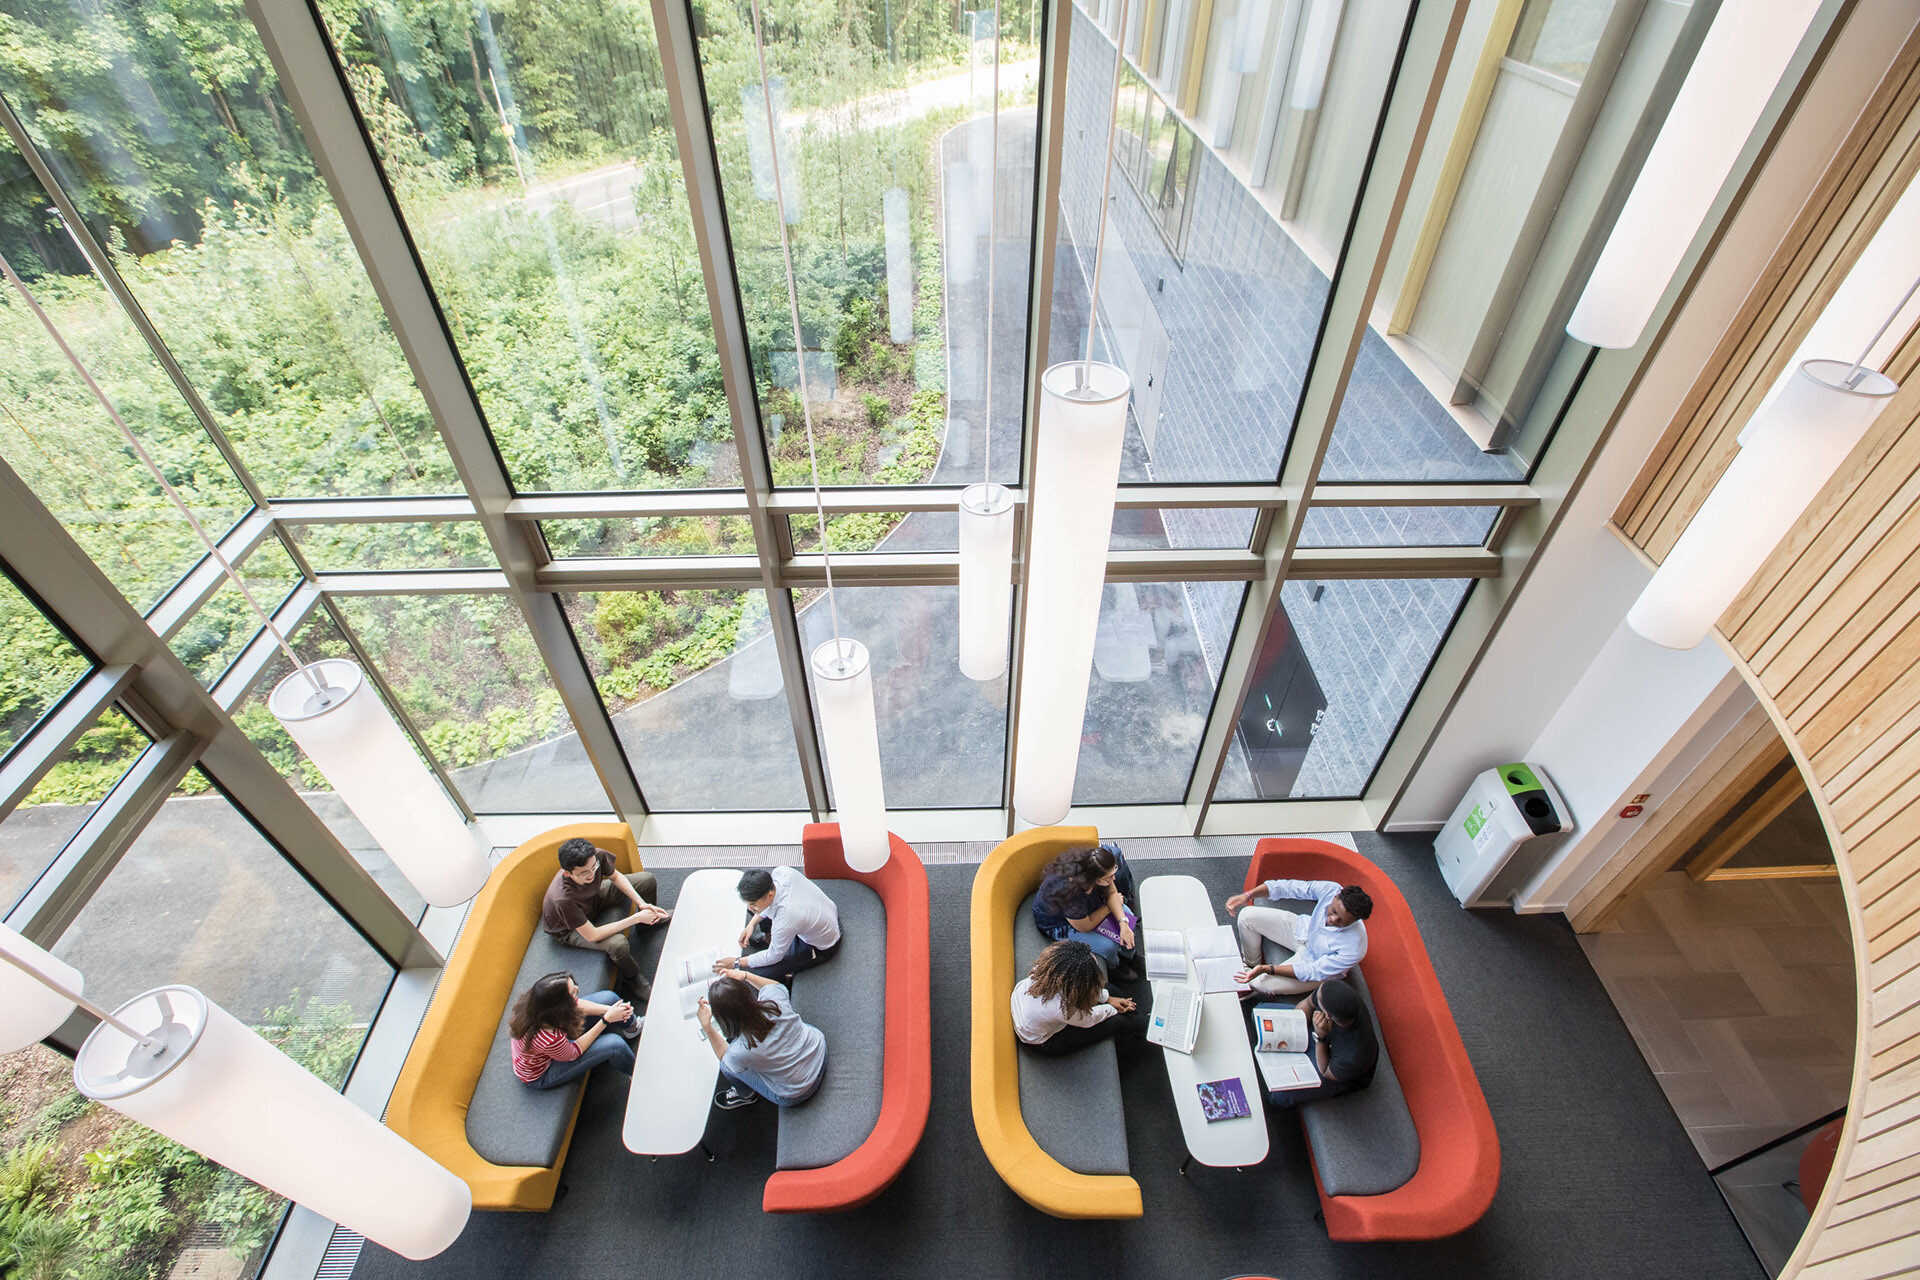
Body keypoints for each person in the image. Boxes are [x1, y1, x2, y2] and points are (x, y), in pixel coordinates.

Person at [541, 837, 669, 1002]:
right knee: (618, 944)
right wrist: (636, 918)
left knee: (646, 880)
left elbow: (615, 877)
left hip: (592, 899)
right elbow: (593, 935)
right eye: (584, 873)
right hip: (569, 929)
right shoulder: (563, 898)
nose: (592, 874)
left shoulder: (596, 857)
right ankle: (632, 978)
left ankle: (650, 922)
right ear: (567, 873)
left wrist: (642, 904)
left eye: (593, 867)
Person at [697, 967, 826, 1109]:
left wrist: (707, 1027)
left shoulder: (740, 1051)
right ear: (747, 993)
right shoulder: (774, 1000)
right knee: (792, 1022)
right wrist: (745, 975)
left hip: (799, 1090)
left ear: (723, 1018)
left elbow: (724, 1056)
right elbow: (773, 986)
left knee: (727, 1067)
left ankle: (746, 1096)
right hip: (819, 1051)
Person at [1225, 877, 1372, 997]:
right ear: (1336, 896)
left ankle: (1253, 982)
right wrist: (1248, 895)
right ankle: (1250, 965)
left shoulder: (1355, 947)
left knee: (1260, 983)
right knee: (1246, 916)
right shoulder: (1331, 889)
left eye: (1341, 921)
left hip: (1315, 963)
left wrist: (1268, 969)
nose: (1332, 920)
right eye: (1332, 911)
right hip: (1303, 930)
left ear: (1354, 921)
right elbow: (1289, 887)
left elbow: (1312, 971)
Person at [1010, 939, 1147, 1056]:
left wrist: (1108, 998)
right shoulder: (1061, 1009)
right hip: (1044, 1041)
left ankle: (1134, 1010)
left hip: (1039, 1014)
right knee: (1117, 1021)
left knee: (1106, 988)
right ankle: (1143, 1026)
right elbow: (1088, 1019)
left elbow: (1088, 989)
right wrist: (1112, 1008)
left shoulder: (1050, 968)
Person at [508, 972, 640, 1090]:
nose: (577, 989)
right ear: (560, 1007)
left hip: (556, 1044)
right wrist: (606, 1020)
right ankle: (636, 1076)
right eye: (573, 993)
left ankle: (633, 1028)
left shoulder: (538, 1003)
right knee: (615, 1045)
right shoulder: (548, 1037)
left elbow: (576, 1004)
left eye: (574, 985)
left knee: (609, 998)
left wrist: (610, 1010)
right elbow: (574, 1052)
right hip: (543, 1072)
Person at [713, 866, 841, 981]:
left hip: (822, 945)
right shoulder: (781, 872)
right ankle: (772, 938)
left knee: (759, 973)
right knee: (759, 913)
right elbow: (770, 906)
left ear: (769, 894)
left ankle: (787, 978)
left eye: (753, 904)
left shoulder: (786, 918)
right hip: (822, 911)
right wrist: (751, 925)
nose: (750, 907)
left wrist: (736, 962)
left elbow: (774, 956)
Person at [1031, 842, 1139, 978]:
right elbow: (1085, 926)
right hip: (1062, 923)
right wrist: (1108, 908)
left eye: (1114, 872)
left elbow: (1111, 892)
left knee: (1127, 916)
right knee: (1108, 946)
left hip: (1089, 906)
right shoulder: (1070, 892)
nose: (1114, 879)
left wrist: (1123, 923)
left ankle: (1129, 955)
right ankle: (1115, 967)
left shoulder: (1097, 865)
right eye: (1109, 877)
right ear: (1093, 879)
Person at [1274, 978, 1378, 1106]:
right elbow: (1307, 1004)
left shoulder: (1355, 1055)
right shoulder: (1328, 991)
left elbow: (1325, 1072)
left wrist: (1320, 1038)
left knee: (1279, 1093)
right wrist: (1292, 1029)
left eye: (1319, 1001)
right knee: (1262, 1013)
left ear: (1327, 1015)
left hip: (1334, 1068)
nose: (1316, 996)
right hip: (1319, 1030)